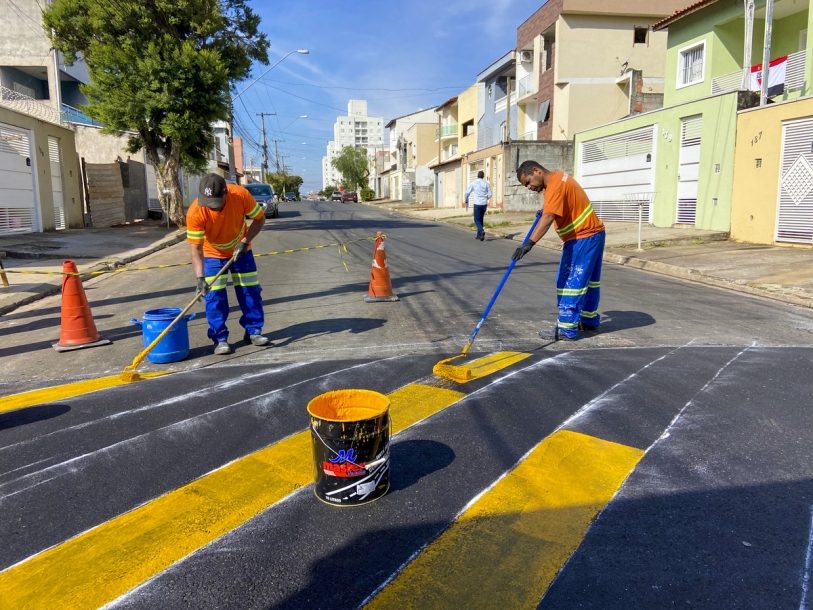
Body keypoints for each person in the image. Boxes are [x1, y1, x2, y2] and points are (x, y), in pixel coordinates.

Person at [511, 160, 606, 341]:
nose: (529, 187)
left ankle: (567, 328)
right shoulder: (559, 178)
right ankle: (589, 320)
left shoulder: (554, 185)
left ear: (536, 170)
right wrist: (545, 208)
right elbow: (554, 208)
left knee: (570, 280)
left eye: (528, 182)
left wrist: (528, 244)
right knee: (590, 281)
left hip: (582, 238)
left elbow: (548, 217)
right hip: (594, 234)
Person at [186, 174, 270, 355]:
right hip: (212, 255)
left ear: (226, 193)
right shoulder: (195, 211)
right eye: (209, 203)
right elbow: (196, 250)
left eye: (217, 203)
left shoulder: (240, 196)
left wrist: (245, 241)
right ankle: (220, 339)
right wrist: (200, 278)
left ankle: (253, 330)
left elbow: (260, 218)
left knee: (250, 291)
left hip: (242, 252)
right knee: (214, 297)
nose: (213, 208)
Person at [464, 170, 492, 241]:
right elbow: (490, 194)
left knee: (476, 219)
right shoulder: (486, 184)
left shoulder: (474, 183)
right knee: (481, 218)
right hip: (484, 204)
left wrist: (466, 200)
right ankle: (479, 235)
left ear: (477, 176)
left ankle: (481, 230)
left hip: (477, 203)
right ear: (483, 176)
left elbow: (467, 193)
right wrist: (486, 198)